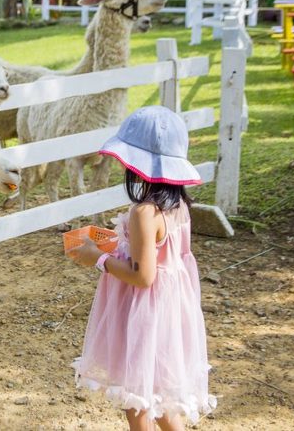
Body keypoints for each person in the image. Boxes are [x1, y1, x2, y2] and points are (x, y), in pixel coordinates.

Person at [66, 106, 216, 431]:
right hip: (172, 314)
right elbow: (167, 260)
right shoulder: (179, 208)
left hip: (144, 317)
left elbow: (144, 276)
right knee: (163, 400)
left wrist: (99, 259)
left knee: (137, 403)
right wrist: (117, 245)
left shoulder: (144, 212)